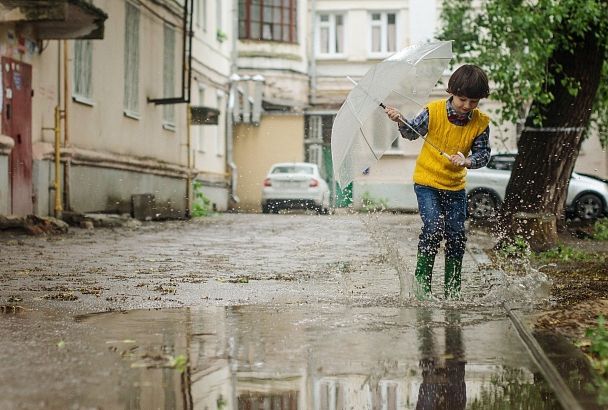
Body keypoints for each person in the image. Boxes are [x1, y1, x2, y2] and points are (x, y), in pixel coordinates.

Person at [385, 64, 491, 300]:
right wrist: (400, 119)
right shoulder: (433, 111)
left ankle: (452, 292)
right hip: (427, 183)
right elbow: (411, 133)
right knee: (433, 230)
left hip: (455, 187)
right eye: (462, 99)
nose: (467, 106)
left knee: (456, 235)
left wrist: (468, 160)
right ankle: (422, 291)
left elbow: (484, 155)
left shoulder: (481, 123)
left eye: (473, 102)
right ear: (451, 92)